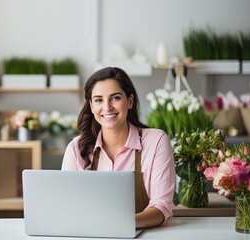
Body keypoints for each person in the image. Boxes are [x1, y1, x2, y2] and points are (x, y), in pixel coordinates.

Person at [61, 67, 175, 228]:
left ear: (129, 101)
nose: (107, 107)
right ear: (92, 106)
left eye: (115, 98)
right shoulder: (76, 149)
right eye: (99, 100)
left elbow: (162, 206)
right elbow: (68, 207)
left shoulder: (155, 141)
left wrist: (119, 225)